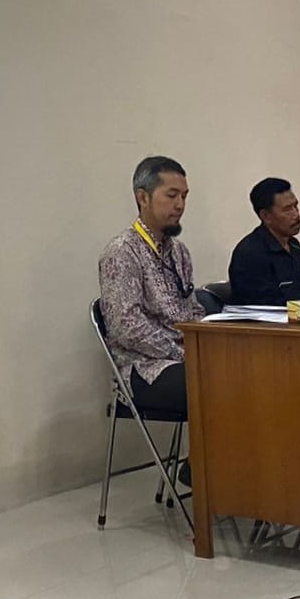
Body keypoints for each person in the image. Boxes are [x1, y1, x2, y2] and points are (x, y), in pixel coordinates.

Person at [98, 155, 202, 417]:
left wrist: (207, 345)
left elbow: (193, 311)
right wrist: (181, 352)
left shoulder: (179, 252)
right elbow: (126, 326)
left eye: (184, 196)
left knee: (240, 372)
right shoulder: (122, 252)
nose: (180, 205)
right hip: (144, 369)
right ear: (143, 198)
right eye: (172, 195)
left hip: (184, 359)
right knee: (219, 383)